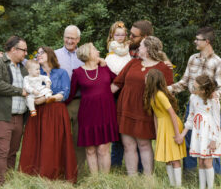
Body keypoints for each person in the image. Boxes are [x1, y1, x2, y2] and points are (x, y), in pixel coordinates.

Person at [111, 36, 173, 175]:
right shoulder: (133, 63)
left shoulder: (163, 67)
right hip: (126, 108)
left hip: (145, 110)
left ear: (149, 49)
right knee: (128, 145)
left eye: (141, 46)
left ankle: (148, 178)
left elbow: (168, 92)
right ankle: (132, 178)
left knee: (144, 145)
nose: (138, 48)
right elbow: (117, 84)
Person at [168, 27, 221, 174]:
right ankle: (190, 175)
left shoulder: (218, 62)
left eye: (197, 39)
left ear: (207, 41)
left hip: (209, 108)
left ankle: (214, 176)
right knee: (189, 139)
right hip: (193, 106)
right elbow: (184, 82)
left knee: (211, 143)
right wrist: (167, 89)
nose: (195, 41)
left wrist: (215, 95)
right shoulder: (193, 58)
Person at [19, 46, 77, 182]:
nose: (38, 55)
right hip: (39, 112)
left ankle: (57, 175)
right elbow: (29, 89)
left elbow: (65, 93)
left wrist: (47, 98)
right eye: (37, 53)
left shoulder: (61, 73)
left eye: (41, 53)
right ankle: (35, 175)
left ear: (49, 54)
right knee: (38, 141)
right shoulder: (36, 74)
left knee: (55, 142)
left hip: (57, 112)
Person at [66, 43, 119, 174]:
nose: (98, 52)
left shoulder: (104, 69)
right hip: (88, 113)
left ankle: (104, 180)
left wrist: (104, 65)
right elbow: (71, 94)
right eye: (95, 50)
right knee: (90, 149)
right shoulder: (78, 72)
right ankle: (95, 181)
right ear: (88, 54)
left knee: (103, 149)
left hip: (106, 111)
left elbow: (118, 80)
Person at [0, 36, 28, 185]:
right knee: (1, 153)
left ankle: (8, 183)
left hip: (18, 118)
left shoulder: (22, 68)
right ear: (13, 49)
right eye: (24, 50)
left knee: (12, 153)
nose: (26, 53)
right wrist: (19, 91)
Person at [111, 20, 155, 170]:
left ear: (146, 36)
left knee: (142, 139)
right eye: (129, 33)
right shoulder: (124, 49)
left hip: (141, 101)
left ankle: (144, 173)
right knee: (120, 138)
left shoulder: (154, 55)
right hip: (122, 97)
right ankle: (116, 168)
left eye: (133, 35)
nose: (129, 37)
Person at [177, 75, 221, 189]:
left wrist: (214, 139)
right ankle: (202, 187)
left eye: (195, 87)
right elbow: (190, 118)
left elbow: (217, 121)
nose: (193, 88)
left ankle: (210, 187)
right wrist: (182, 134)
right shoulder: (193, 97)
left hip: (209, 133)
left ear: (203, 90)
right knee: (201, 162)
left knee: (207, 162)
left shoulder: (213, 100)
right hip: (198, 133)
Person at [143, 69, 186, 187]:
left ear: (152, 80)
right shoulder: (151, 95)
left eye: (147, 76)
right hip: (163, 126)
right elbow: (156, 116)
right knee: (167, 157)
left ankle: (178, 186)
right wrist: (157, 133)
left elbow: (172, 114)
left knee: (174, 158)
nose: (144, 78)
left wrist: (178, 134)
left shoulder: (160, 95)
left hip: (172, 125)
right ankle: (172, 184)